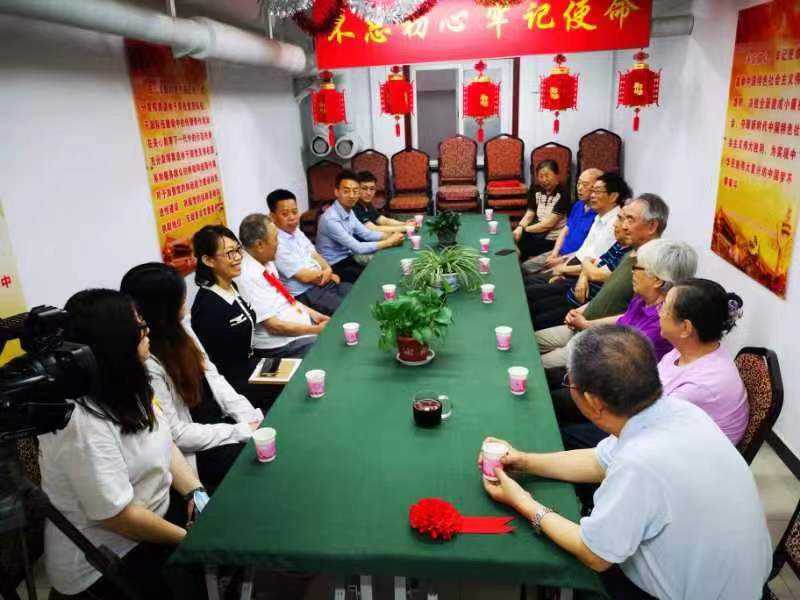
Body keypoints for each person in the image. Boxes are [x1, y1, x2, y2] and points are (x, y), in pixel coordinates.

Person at [480, 325, 772, 600]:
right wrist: (525, 461)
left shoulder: (640, 462)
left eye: (570, 382)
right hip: (734, 582)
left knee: (563, 559)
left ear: (594, 402)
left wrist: (521, 501)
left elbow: (594, 555)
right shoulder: (679, 411)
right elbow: (597, 461)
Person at [40, 289, 206, 599]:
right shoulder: (80, 422)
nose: (147, 330)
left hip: (155, 518)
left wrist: (195, 493)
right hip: (107, 559)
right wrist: (190, 540)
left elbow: (162, 439)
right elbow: (117, 517)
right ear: (115, 341)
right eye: (139, 325)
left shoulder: (129, 381)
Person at [121, 263, 263, 492]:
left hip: (222, 424)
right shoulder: (147, 361)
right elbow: (177, 434)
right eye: (181, 299)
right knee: (258, 463)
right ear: (165, 307)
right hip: (199, 448)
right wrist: (240, 431)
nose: (185, 304)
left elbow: (212, 375)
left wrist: (247, 416)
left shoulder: (182, 328)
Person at [553, 239, 699, 441]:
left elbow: (614, 372)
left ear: (657, 280)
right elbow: (623, 319)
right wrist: (586, 324)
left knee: (555, 400)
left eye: (637, 267)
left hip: (615, 393)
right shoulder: (643, 298)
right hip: (603, 368)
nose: (632, 271)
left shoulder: (661, 325)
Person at [535, 193, 670, 372]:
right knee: (531, 341)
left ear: (652, 226)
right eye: (622, 218)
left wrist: (587, 324)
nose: (622, 225)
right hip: (581, 323)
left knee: (537, 365)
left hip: (598, 340)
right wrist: (581, 310)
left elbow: (629, 318)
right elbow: (607, 291)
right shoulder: (628, 253)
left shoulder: (652, 267)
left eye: (630, 219)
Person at [658, 278, 749, 444]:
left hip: (683, 452)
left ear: (685, 328)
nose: (659, 312)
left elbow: (648, 425)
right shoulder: (690, 348)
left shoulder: (700, 385)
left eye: (664, 307)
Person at [238, 212, 330, 359]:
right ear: (259, 245)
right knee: (329, 345)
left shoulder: (266, 261)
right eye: (275, 239)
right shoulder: (248, 275)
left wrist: (315, 315)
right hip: (280, 345)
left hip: (299, 327)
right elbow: (274, 326)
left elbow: (286, 297)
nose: (278, 243)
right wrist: (315, 330)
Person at [190, 225, 262, 398]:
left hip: (253, 369)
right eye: (230, 253)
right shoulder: (208, 307)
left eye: (238, 250)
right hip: (235, 387)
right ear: (208, 260)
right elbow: (219, 367)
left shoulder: (231, 285)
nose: (238, 257)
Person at [524, 172, 631, 287]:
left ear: (613, 197)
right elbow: (582, 251)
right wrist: (563, 264)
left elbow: (597, 265)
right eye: (592, 191)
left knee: (529, 287)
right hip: (571, 264)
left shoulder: (614, 225)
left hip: (579, 276)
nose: (592, 195)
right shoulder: (598, 216)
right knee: (526, 279)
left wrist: (563, 269)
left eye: (597, 191)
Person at [527, 215, 630, 331]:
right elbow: (592, 262)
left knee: (535, 316)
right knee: (531, 299)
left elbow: (596, 274)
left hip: (582, 306)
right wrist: (583, 275)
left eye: (626, 220)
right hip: (574, 289)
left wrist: (572, 269)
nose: (615, 224)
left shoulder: (631, 255)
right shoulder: (618, 244)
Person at [268, 188, 352, 315]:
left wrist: (328, 270)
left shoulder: (296, 231)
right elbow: (305, 277)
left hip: (322, 283)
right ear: (273, 217)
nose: (292, 218)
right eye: (285, 214)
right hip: (307, 293)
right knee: (348, 309)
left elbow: (315, 255)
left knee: (357, 292)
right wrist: (329, 275)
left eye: (295, 212)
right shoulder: (276, 243)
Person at [316, 170, 405, 282]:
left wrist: (391, 235)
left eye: (355, 191)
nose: (352, 195)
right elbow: (357, 247)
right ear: (336, 192)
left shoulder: (349, 211)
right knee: (376, 276)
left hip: (349, 257)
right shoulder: (330, 219)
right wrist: (390, 241)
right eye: (346, 191)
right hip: (334, 265)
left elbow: (366, 234)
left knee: (385, 263)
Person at [521, 168, 602, 276]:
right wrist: (554, 254)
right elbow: (565, 230)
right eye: (578, 183)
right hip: (559, 252)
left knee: (535, 278)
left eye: (585, 184)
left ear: (596, 188)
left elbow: (587, 250)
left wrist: (561, 259)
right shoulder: (578, 205)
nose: (579, 188)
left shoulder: (599, 215)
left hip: (573, 259)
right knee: (524, 268)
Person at [512, 160, 571, 260]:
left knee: (520, 244)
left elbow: (549, 223)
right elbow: (530, 214)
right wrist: (520, 227)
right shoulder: (536, 190)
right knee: (514, 238)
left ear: (557, 175)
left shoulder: (563, 193)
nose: (544, 180)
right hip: (537, 232)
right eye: (541, 176)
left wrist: (525, 230)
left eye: (547, 176)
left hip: (553, 238)